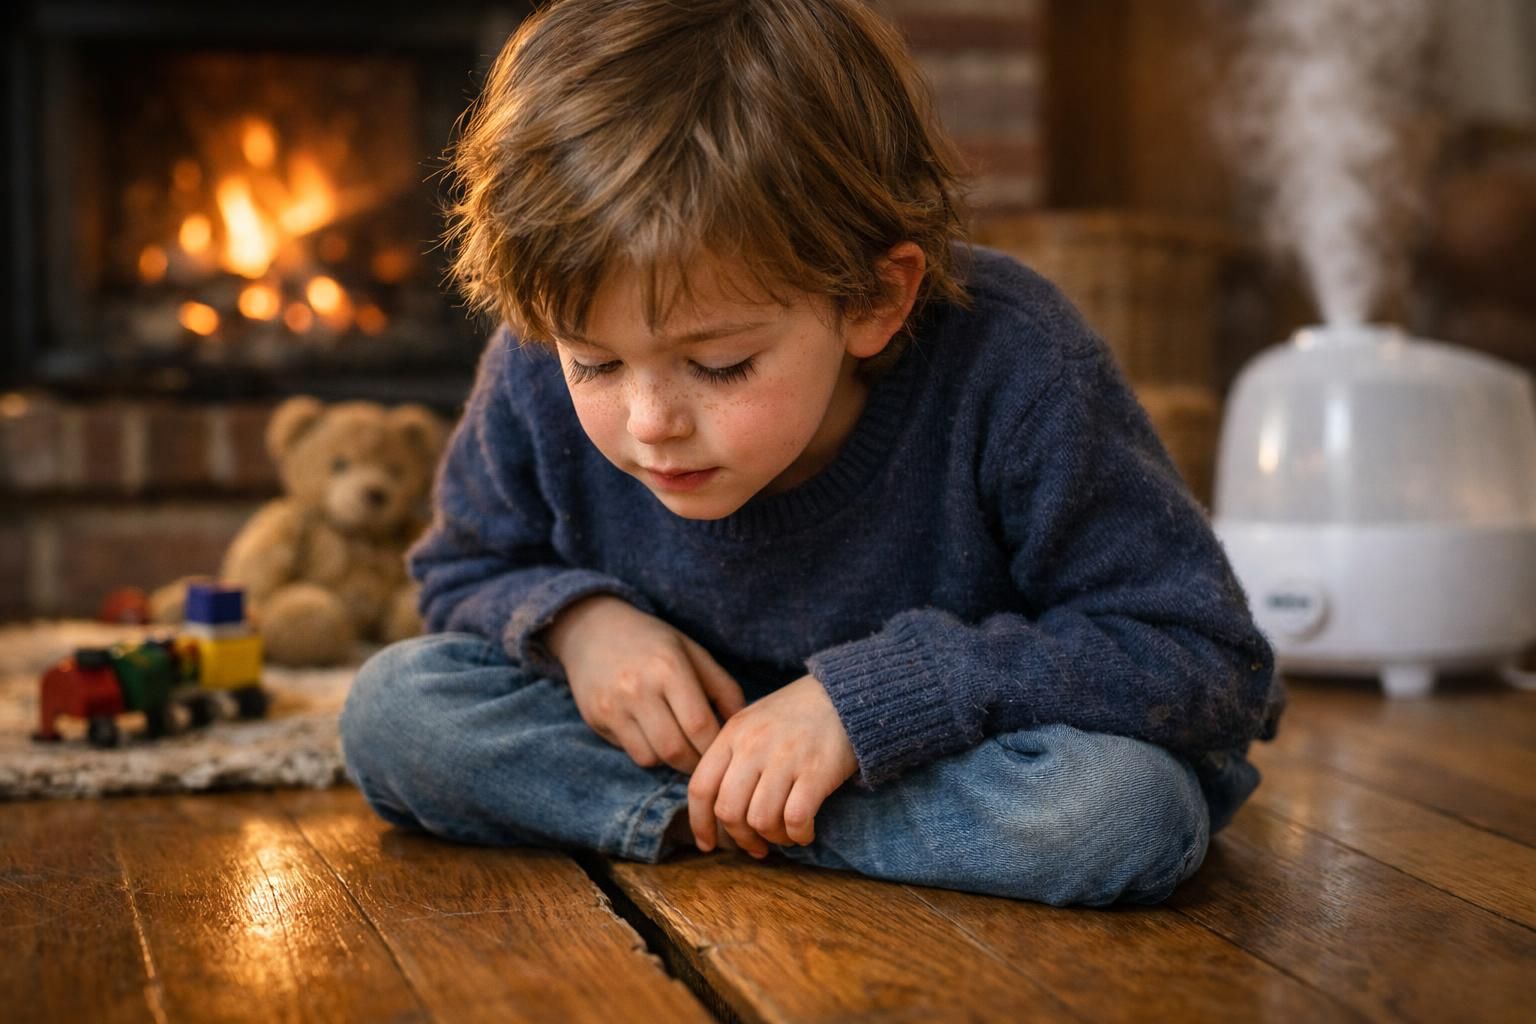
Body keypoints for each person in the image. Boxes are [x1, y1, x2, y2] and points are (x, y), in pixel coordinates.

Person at [339, 0, 1284, 906]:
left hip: (931, 756)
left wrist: (872, 701)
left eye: (719, 364)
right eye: (595, 365)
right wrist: (579, 626)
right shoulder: (536, 355)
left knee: (1116, 811)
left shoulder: (1018, 361)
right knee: (397, 714)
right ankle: (759, 814)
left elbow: (1204, 661)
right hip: (675, 745)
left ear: (876, 300)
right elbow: (463, 570)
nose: (650, 419)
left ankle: (720, 822)